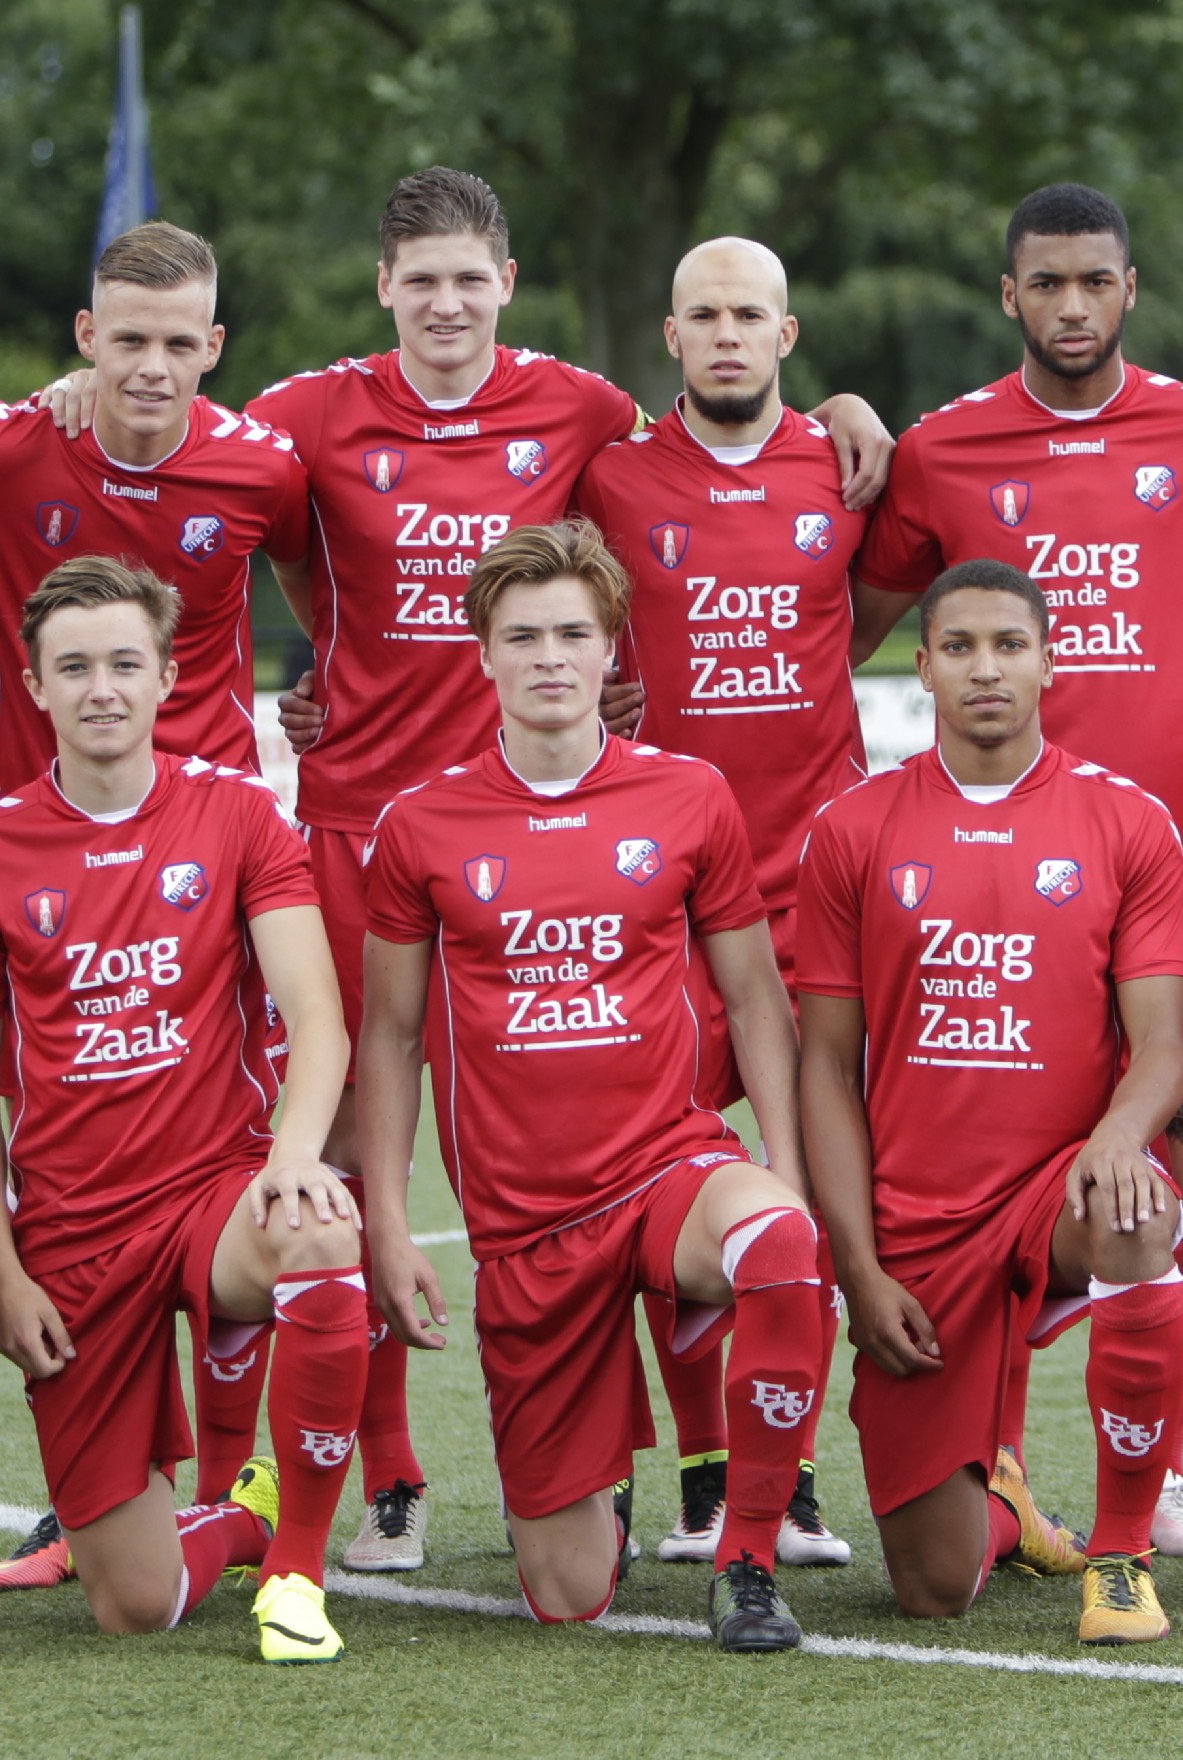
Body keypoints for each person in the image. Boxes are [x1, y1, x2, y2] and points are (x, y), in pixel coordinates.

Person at [124, 167, 890, 1573]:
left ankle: (725, 1470)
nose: (445, 304)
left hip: (579, 820)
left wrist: (841, 407)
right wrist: (320, 672)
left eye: (469, 278)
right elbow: (228, 487)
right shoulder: (306, 412)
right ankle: (391, 1470)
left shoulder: (581, 406)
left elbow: (719, 426)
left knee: (655, 1113)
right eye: (420, 280)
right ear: (384, 291)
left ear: (506, 284)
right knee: (365, 1116)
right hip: (371, 826)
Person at [845, 181, 1183, 1564]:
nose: (1074, 306)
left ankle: (1148, 1478)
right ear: (1010, 298)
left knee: (1150, 1145)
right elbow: (849, 616)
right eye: (1047, 284)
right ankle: (1004, 1461)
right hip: (981, 854)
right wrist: (835, 430)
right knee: (985, 1136)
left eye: (1096, 281)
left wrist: (1169, 641)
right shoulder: (943, 445)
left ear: (1131, 288)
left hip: (1162, 842)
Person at [356, 521, 827, 1652]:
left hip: (669, 1163)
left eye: (573, 633)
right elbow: (388, 1033)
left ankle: (750, 1554)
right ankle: (597, 1487)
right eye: (522, 636)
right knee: (564, 1599)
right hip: (525, 1223)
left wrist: (786, 1171)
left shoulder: (689, 796)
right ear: (482, 654)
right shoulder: (418, 823)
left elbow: (757, 997)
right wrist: (385, 1219)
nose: (550, 657)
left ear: (613, 648)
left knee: (775, 1246)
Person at [0, 557, 371, 1663]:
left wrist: (291, 1156)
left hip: (215, 1191)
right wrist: (0, 1270)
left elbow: (317, 1015)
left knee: (318, 1225)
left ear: (169, 675)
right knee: (133, 1606)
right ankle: (241, 1515)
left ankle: (297, 1572)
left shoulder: (233, 815)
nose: (101, 688)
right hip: (74, 1234)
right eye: (72, 667)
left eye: (125, 662)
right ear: (32, 686)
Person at [794, 558, 1183, 1646]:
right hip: (916, 1217)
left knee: (1134, 1213)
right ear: (920, 667)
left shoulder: (1124, 821)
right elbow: (824, 1067)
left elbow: (1165, 1039)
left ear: (1048, 663)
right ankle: (1001, 1507)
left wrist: (1119, 1137)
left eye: (1009, 646)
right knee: (929, 1589)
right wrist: (856, 1265)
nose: (986, 669)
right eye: (960, 647)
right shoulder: (852, 829)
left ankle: (1119, 1557)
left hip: (1055, 1183)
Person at [568, 235, 858, 1572]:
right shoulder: (610, 478)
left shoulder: (847, 464)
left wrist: (867, 421)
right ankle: (699, 1473)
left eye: (751, 314)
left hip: (823, 893)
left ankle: (788, 1477)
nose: (728, 333)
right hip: (669, 898)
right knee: (663, 1176)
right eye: (704, 315)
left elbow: (899, 591)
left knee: (824, 1185)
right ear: (669, 338)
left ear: (788, 336)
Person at [0, 222, 309, 780]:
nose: (153, 367)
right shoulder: (8, 451)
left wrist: (331, 680)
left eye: (178, 344)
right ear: (88, 335)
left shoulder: (264, 467)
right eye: (130, 341)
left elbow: (318, 584)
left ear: (213, 347)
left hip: (212, 819)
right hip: (42, 824)